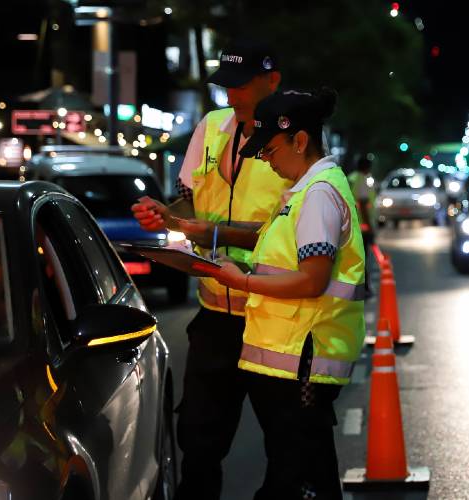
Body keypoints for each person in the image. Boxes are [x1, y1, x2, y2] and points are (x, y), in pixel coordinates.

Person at [130, 39, 291, 500]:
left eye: (241, 87)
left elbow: (292, 228)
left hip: (271, 319)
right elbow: (188, 199)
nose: (232, 97)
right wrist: (165, 211)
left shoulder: (292, 136)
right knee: (198, 444)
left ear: (272, 80)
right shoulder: (212, 126)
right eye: (226, 87)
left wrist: (210, 232)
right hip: (215, 317)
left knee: (288, 447)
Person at [194, 88, 365, 500]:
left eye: (269, 150)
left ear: (300, 140)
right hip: (289, 362)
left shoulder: (319, 194)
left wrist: (243, 282)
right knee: (308, 475)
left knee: (295, 478)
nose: (266, 162)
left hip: (301, 361)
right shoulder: (305, 191)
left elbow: (312, 280)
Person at [347, 156, 376, 296]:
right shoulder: (361, 180)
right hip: (361, 226)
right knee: (363, 258)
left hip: (350, 225)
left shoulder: (350, 178)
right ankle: (363, 288)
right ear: (367, 168)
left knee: (354, 258)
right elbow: (363, 205)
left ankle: (357, 287)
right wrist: (369, 227)